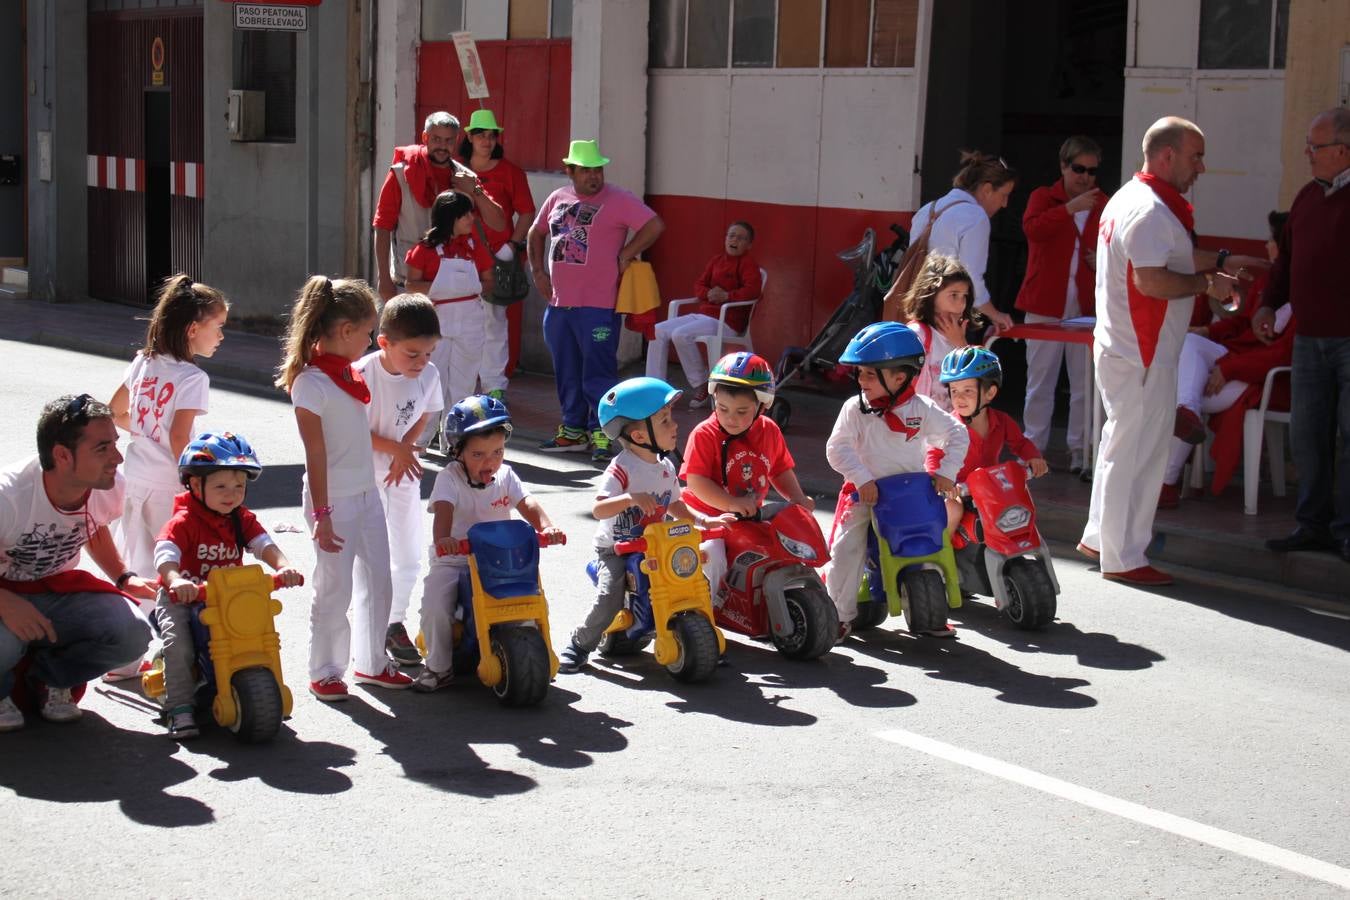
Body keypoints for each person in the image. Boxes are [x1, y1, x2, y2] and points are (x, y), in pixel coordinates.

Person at [1078, 116, 1253, 586]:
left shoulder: (1132, 199)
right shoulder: (1152, 208)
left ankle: (1102, 538)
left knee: (1123, 445)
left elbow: (1164, 260)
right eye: (1195, 156)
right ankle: (1123, 555)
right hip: (1142, 349)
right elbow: (1151, 279)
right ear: (1167, 155)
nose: (1201, 167)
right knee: (1138, 451)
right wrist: (1205, 283)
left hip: (1132, 347)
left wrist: (1214, 266)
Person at [277, 275, 412, 701]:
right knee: (334, 587)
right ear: (345, 331)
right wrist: (320, 515)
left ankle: (371, 663)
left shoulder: (348, 374)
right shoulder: (310, 382)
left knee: (379, 581)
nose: (372, 340)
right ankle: (325, 670)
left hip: (366, 493)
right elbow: (314, 455)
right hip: (332, 501)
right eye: (369, 332)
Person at [555, 377, 730, 674]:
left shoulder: (666, 467)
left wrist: (704, 521)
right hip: (617, 550)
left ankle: (703, 640)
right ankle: (580, 644)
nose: (674, 425)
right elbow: (598, 508)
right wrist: (629, 498)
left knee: (694, 581)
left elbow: (675, 505)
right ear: (638, 435)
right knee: (609, 598)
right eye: (664, 421)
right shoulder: (622, 468)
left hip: (657, 546)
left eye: (670, 418)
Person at [0, 395, 153, 732]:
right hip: (4, 594)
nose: (117, 457)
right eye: (102, 448)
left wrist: (123, 577)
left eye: (115, 443)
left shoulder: (110, 487)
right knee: (3, 644)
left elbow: (93, 529)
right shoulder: (7, 497)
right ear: (62, 455)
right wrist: (6, 603)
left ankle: (51, 680)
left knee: (132, 633)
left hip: (56, 590)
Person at [153, 432, 304, 739]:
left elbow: (263, 544)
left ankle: (262, 689)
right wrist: (175, 579)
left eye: (239, 486)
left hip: (227, 600)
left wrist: (284, 566)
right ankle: (179, 707)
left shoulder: (239, 519)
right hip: (183, 598)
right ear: (196, 485)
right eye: (221, 486)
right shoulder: (183, 521)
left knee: (259, 635)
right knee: (179, 647)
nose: (231, 494)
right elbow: (165, 555)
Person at [823, 324, 968, 639]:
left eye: (870, 374)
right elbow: (836, 449)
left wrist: (947, 472)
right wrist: (861, 478)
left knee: (927, 542)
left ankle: (928, 608)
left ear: (900, 378)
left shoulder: (921, 409)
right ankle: (839, 614)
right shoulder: (854, 410)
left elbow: (957, 433)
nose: (862, 380)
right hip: (865, 494)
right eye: (860, 373)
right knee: (846, 549)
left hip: (911, 495)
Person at [528, 139, 666, 464]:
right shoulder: (557, 197)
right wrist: (537, 271)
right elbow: (536, 233)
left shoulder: (618, 199)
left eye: (598, 169)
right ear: (571, 171)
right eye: (586, 170)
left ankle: (602, 431)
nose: (594, 176)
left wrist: (627, 253)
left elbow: (654, 225)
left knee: (599, 372)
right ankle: (573, 430)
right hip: (559, 305)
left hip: (598, 306)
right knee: (566, 371)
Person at [414, 396, 564, 692]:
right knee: (435, 604)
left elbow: (527, 503)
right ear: (458, 452)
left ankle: (539, 652)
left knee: (533, 596)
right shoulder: (450, 478)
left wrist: (547, 527)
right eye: (478, 454)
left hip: (501, 559)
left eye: (498, 452)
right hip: (456, 558)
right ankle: (438, 668)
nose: (490, 462)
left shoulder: (506, 475)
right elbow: (443, 509)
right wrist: (444, 540)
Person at [1256, 108, 1350, 561]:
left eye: (1315, 147)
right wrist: (1267, 304)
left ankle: (1347, 530)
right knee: (1308, 436)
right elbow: (1286, 263)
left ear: (1342, 151)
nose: (1308, 154)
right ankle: (1313, 525)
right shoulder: (1308, 197)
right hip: (1310, 339)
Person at [1160, 212, 1292, 507]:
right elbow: (1241, 323)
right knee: (1189, 346)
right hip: (1237, 361)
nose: (1267, 244)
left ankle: (1165, 482)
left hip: (1266, 380)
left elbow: (1283, 354)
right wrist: (1207, 330)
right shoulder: (1269, 283)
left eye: (1272, 240)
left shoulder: (1308, 291)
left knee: (1181, 392)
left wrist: (1228, 368)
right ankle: (1185, 421)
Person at [108, 274, 229, 582]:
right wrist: (194, 483)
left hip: (133, 478)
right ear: (193, 329)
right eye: (218, 328)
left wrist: (146, 429)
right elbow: (178, 435)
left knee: (135, 562)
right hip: (166, 484)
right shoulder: (192, 378)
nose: (221, 337)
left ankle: (138, 620)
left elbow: (114, 411)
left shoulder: (143, 362)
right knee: (171, 562)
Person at [351, 293, 443, 667]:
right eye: (412, 354)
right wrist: (394, 448)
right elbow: (352, 430)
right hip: (363, 475)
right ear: (384, 342)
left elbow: (426, 412)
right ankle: (367, 627)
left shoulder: (430, 375)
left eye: (428, 353)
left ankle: (394, 622)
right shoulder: (361, 374)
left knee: (407, 554)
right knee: (371, 559)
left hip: (403, 474)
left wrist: (406, 446)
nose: (422, 362)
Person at [678, 353, 813, 601]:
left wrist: (797, 497)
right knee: (713, 556)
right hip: (705, 517)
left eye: (742, 411)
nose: (731, 418)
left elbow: (780, 469)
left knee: (778, 550)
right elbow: (695, 481)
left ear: (762, 406)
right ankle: (704, 607)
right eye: (723, 409)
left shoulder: (769, 431)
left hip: (748, 516)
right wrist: (730, 503)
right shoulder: (704, 434)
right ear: (714, 399)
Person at [1015, 136, 1108, 472]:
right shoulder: (1044, 197)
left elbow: (1117, 248)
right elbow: (1032, 230)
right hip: (1045, 303)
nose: (1085, 177)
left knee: (1084, 383)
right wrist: (1068, 209)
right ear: (1063, 167)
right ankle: (1032, 450)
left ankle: (1081, 452)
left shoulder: (1104, 204)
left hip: (1085, 307)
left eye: (1092, 171)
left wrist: (1102, 259)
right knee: (1040, 381)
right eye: (1079, 169)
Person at [372, 111, 506, 302]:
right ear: (425, 137)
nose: (443, 146)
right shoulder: (402, 173)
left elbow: (499, 224)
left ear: (457, 140)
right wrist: (383, 278)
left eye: (449, 141)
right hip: (410, 284)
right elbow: (382, 226)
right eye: (436, 139)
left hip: (456, 288)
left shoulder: (466, 178)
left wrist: (475, 191)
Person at [888, 151, 1018, 333]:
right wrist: (995, 314)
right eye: (1004, 195)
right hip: (945, 316)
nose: (1004, 204)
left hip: (914, 310)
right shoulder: (976, 217)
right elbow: (972, 276)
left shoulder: (927, 209)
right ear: (987, 189)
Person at [457, 108, 537, 400]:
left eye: (492, 136)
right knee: (460, 321)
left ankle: (494, 386)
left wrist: (512, 247)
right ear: (469, 136)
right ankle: (463, 385)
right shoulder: (455, 170)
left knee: (494, 321)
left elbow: (528, 212)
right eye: (481, 135)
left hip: (497, 258)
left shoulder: (510, 172)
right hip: (460, 256)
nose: (487, 141)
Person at [404, 190, 494, 442]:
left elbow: (489, 281)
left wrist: (469, 287)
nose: (471, 218)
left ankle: (454, 441)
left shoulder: (475, 246)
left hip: (470, 320)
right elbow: (411, 284)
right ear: (450, 217)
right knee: (432, 380)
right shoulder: (425, 249)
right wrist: (445, 288)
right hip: (437, 318)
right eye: (465, 214)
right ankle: (419, 440)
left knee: (464, 384)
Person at [645, 222, 763, 405]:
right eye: (731, 235)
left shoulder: (749, 265)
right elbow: (699, 285)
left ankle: (702, 385)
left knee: (680, 334)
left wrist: (727, 296)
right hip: (704, 315)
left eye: (741, 238)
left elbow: (753, 291)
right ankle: (655, 387)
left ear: (749, 245)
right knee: (656, 330)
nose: (734, 240)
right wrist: (707, 293)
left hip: (727, 321)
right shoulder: (716, 260)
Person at [940, 346, 1049, 485]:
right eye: (954, 391)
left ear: (990, 393)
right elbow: (934, 455)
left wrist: (1034, 457)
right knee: (954, 506)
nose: (959, 398)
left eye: (967, 391)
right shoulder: (947, 426)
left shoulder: (1002, 421)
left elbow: (1020, 443)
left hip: (992, 487)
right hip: (957, 489)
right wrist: (938, 479)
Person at [899, 254, 983, 413]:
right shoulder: (917, 334)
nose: (961, 304)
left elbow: (980, 381)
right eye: (954, 295)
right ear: (930, 294)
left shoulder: (960, 337)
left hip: (949, 429)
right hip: (916, 427)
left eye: (964, 297)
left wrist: (961, 345)